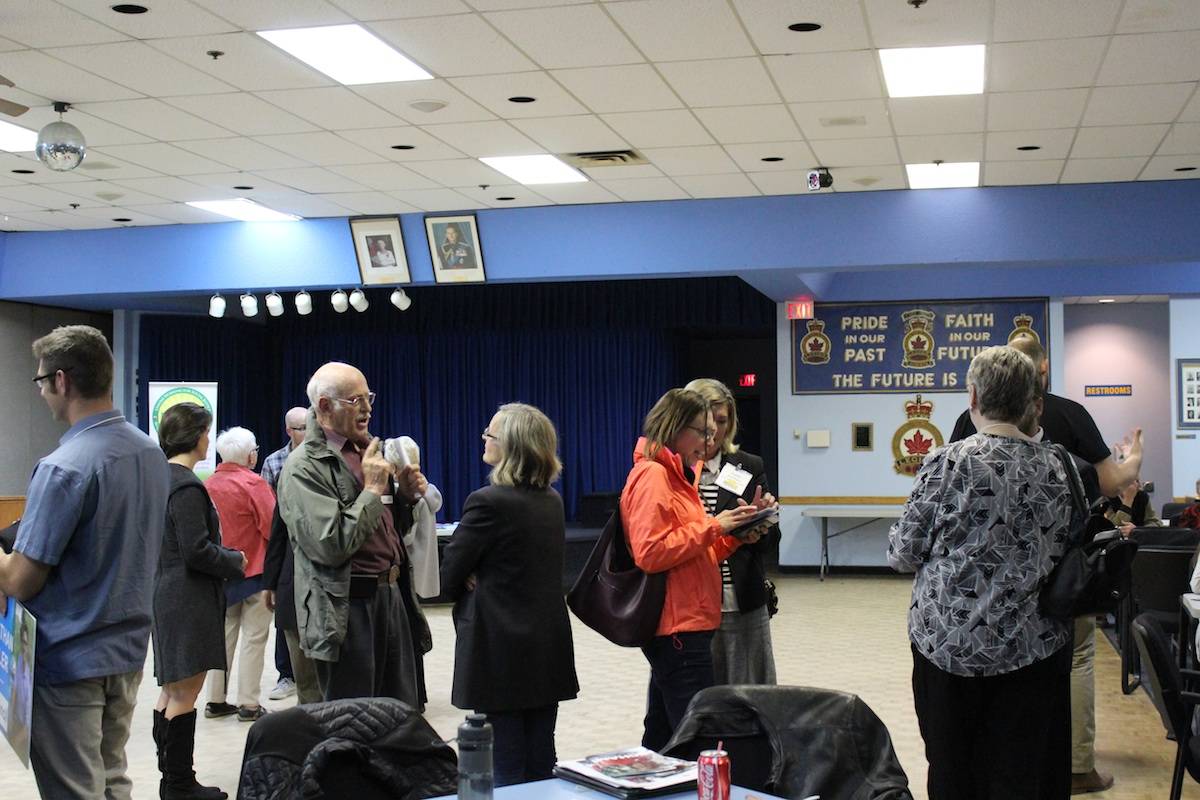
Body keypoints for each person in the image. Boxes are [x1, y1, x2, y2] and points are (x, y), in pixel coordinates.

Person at [948, 334, 1142, 795]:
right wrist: (1131, 464)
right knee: (1073, 659)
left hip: (981, 584)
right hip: (1056, 575)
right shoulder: (1068, 418)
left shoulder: (963, 427)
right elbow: (1110, 482)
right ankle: (1077, 766)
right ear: (1043, 369)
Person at [890, 345, 1080, 799]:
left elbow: (902, 552)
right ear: (1032, 402)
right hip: (1032, 649)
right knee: (1021, 773)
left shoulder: (947, 462)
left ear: (972, 397)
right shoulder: (1061, 466)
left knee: (954, 771)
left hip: (950, 650)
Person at [0, 324, 168, 799]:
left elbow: (20, 580)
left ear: (62, 381)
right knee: (112, 779)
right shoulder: (149, 453)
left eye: (40, 382)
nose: (41, 395)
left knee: (76, 790)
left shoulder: (63, 466)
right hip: (128, 651)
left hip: (68, 662)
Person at [622, 388, 772, 751]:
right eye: (702, 432)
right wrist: (716, 526)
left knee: (662, 736)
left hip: (689, 622)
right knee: (698, 742)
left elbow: (694, 552)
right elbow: (651, 553)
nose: (710, 441)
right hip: (678, 628)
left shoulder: (675, 474)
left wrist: (737, 535)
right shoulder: (654, 476)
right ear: (675, 428)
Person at [277, 362, 431, 706]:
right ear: (325, 407)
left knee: (398, 714)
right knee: (353, 721)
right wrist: (374, 490)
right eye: (355, 400)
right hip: (347, 608)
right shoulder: (304, 466)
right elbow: (331, 545)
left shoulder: (368, 452)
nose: (367, 408)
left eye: (369, 397)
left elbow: (389, 532)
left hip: (391, 596)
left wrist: (403, 498)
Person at [440, 404, 578, 785]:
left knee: (503, 767)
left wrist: (470, 571)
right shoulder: (552, 499)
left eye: (491, 434)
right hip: (545, 649)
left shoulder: (488, 501)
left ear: (513, 446)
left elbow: (447, 575)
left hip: (498, 650)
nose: (484, 437)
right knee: (540, 761)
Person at [153, 402, 246, 800]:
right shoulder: (187, 485)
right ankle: (179, 785)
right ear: (194, 435)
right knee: (184, 694)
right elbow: (196, 550)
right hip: (188, 597)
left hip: (167, 592)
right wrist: (235, 560)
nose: (210, 438)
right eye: (207, 431)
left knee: (170, 693)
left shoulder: (159, 479)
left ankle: (170, 780)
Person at [684, 378, 778, 685]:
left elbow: (770, 543)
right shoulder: (672, 470)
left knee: (749, 695)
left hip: (739, 602)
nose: (712, 431)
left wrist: (763, 521)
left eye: (721, 421)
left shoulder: (747, 465)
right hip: (688, 604)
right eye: (704, 423)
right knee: (694, 695)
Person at [204, 427, 275, 723]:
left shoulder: (207, 485)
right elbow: (272, 527)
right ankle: (248, 703)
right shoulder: (254, 483)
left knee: (223, 636)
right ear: (249, 455)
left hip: (219, 573)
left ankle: (215, 700)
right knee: (254, 639)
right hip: (254, 572)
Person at [259, 407, 308, 702]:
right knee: (285, 619)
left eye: (308, 425)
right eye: (300, 427)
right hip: (287, 550)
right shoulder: (275, 462)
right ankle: (286, 675)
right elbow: (272, 516)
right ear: (289, 430)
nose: (306, 431)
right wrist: (271, 575)